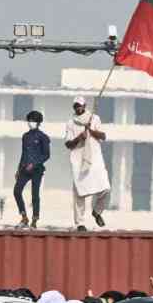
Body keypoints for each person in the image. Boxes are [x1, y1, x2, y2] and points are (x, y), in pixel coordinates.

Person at [64, 96, 110, 232]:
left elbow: (103, 136)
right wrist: (79, 138)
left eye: (80, 105)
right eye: (75, 106)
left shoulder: (94, 118)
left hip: (94, 158)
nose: (78, 108)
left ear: (85, 106)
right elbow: (68, 144)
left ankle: (97, 211)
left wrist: (91, 131)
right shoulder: (71, 123)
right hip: (78, 160)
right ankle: (80, 223)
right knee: (79, 192)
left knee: (105, 188)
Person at [12, 110, 51, 228]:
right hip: (24, 169)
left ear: (39, 122)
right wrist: (19, 169)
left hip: (37, 170)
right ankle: (24, 217)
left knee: (35, 194)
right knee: (17, 191)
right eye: (29, 120)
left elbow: (46, 155)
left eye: (33, 121)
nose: (31, 123)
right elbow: (23, 153)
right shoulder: (25, 136)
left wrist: (34, 164)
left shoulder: (43, 137)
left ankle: (35, 218)